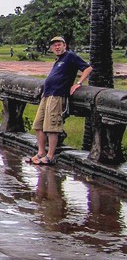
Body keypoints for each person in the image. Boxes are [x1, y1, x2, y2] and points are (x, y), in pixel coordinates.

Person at [28, 36, 92, 166]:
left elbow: (88, 68)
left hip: (57, 95)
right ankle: (41, 153)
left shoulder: (70, 56)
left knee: (52, 127)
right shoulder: (59, 60)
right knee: (38, 125)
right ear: (51, 48)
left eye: (59, 44)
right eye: (54, 45)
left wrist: (78, 83)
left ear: (65, 45)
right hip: (47, 95)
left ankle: (50, 156)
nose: (57, 47)